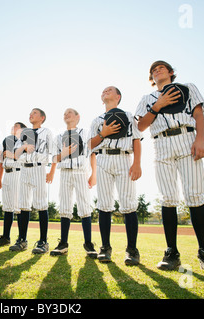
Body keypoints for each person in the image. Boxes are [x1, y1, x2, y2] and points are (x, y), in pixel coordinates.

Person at [135, 60, 204, 276]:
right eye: (153, 70)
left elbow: (199, 114)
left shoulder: (188, 87)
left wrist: (200, 139)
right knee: (168, 198)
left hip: (187, 137)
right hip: (161, 143)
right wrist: (158, 105)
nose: (157, 71)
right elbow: (140, 126)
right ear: (151, 78)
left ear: (171, 73)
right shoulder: (147, 98)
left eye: (161, 68)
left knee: (195, 196)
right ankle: (172, 253)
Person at [89, 86, 143, 264]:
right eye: (103, 90)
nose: (105, 91)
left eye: (109, 90)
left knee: (128, 203)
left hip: (123, 158)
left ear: (118, 96)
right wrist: (103, 134)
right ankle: (105, 247)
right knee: (104, 204)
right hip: (103, 159)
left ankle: (132, 250)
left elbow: (136, 139)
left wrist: (136, 163)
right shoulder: (97, 120)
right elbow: (89, 145)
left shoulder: (127, 115)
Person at [50, 108, 98, 258]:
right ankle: (63, 243)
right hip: (64, 172)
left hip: (80, 172)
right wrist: (63, 154)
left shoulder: (86, 132)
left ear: (78, 116)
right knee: (65, 206)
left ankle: (88, 244)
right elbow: (53, 159)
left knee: (84, 206)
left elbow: (93, 153)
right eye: (64, 113)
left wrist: (93, 174)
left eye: (70, 112)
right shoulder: (58, 137)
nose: (66, 114)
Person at [9, 108, 56, 254]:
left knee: (41, 204)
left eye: (34, 113)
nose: (31, 114)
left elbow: (54, 152)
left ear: (42, 117)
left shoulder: (46, 132)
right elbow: (15, 155)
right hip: (24, 169)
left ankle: (43, 242)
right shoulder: (23, 133)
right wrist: (23, 146)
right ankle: (22, 240)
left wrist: (51, 172)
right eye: (30, 113)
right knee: (23, 205)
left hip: (39, 167)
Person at [0, 122, 27, 247]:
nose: (13, 127)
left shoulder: (24, 140)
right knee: (7, 207)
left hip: (18, 173)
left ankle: (22, 239)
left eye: (16, 126)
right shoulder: (8, 140)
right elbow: (2, 159)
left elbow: (24, 157)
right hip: (7, 173)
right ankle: (6, 237)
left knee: (18, 207)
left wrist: (11, 155)